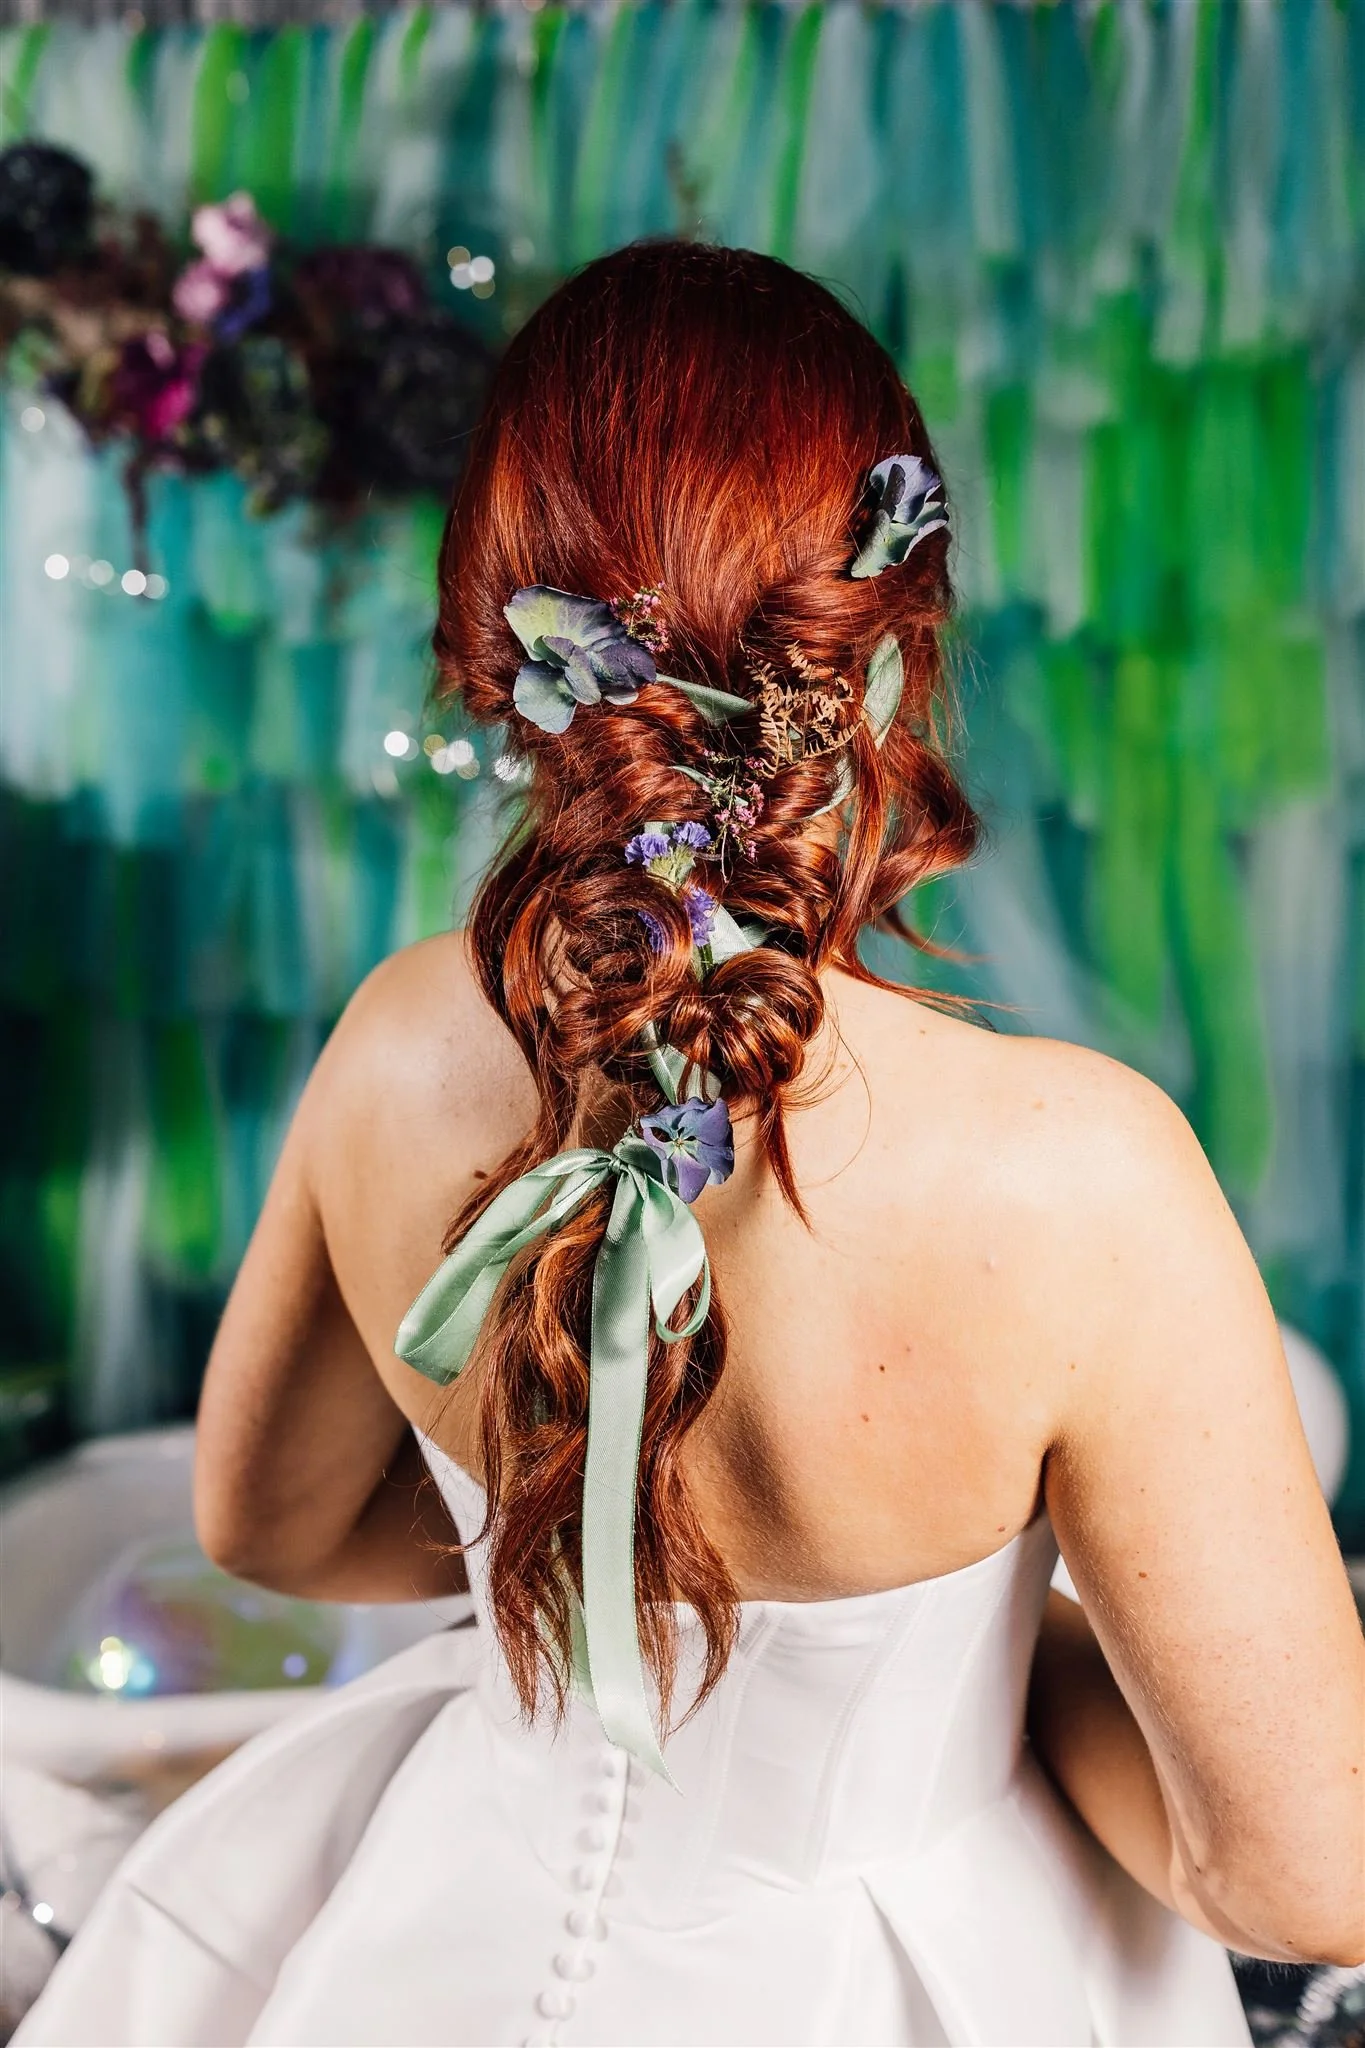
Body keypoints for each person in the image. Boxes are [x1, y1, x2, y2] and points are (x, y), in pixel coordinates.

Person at [21, 242, 1362, 2048]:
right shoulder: (1084, 1180)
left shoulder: (397, 1045)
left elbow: (268, 1521)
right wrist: (1000, 1654)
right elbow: (1311, 1876)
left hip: (444, 1934)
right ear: (888, 652)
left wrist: (574, 1567)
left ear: (500, 656)